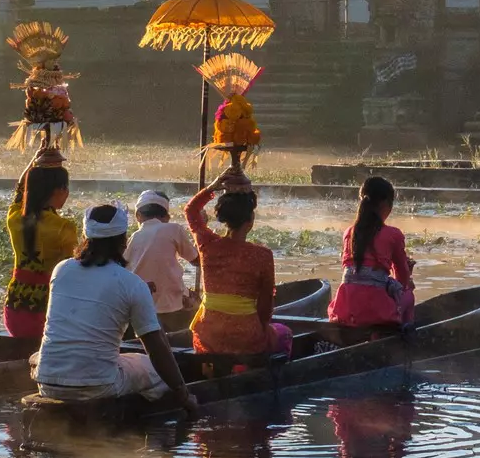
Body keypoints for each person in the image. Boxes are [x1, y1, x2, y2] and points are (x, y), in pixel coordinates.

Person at [33, 204, 200, 415]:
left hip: (47, 383)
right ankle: (143, 425)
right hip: (99, 385)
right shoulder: (132, 284)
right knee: (155, 371)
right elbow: (156, 347)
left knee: (39, 356)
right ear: (123, 241)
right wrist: (184, 396)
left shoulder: (61, 270)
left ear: (86, 237)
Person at [184, 168, 292, 359]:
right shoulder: (262, 255)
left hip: (208, 335)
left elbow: (191, 212)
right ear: (250, 221)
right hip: (246, 338)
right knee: (284, 333)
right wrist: (259, 328)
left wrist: (213, 186)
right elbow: (266, 306)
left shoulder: (207, 245)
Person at [3, 157, 77, 340]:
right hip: (47, 316)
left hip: (14, 314)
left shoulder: (14, 218)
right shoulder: (64, 227)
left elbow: (20, 191)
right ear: (60, 190)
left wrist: (35, 159)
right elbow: (73, 273)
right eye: (66, 189)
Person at [329, 174, 415, 328]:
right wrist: (408, 275)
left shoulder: (349, 233)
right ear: (385, 204)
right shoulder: (393, 234)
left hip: (344, 310)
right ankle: (404, 339)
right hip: (376, 312)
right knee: (409, 294)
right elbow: (402, 280)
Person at [128, 188, 199, 326]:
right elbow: (196, 260)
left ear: (138, 216)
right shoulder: (174, 229)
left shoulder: (134, 237)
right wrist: (199, 231)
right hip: (170, 307)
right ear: (166, 217)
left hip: (139, 308)